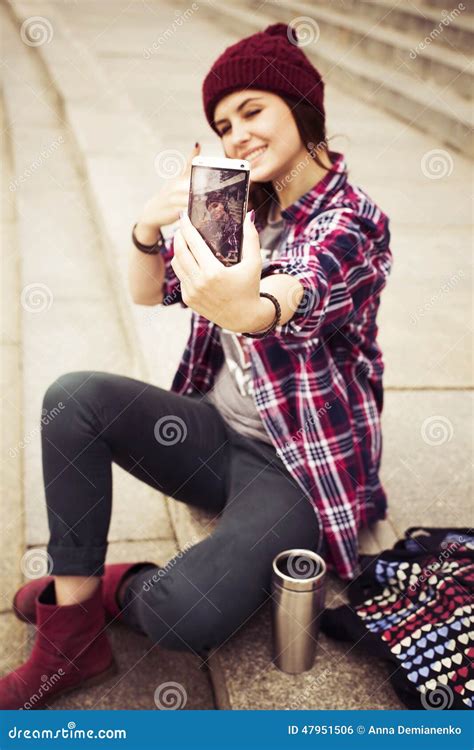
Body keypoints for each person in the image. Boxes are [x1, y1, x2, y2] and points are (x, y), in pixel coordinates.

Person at [0, 22, 392, 708]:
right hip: (212, 438)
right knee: (71, 398)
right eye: (221, 123)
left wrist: (249, 303)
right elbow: (149, 292)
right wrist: (148, 230)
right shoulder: (239, 206)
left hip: (295, 468)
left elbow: (296, 291)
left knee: (184, 614)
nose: (235, 135)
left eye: (252, 111)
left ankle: (112, 587)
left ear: (301, 110)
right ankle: (73, 634)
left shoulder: (352, 224)